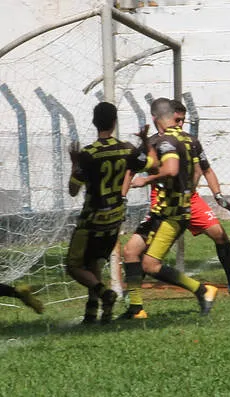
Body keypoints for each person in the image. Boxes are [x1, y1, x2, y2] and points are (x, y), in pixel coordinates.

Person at [119, 98, 217, 319]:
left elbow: (170, 170)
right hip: (163, 210)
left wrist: (147, 180)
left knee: (151, 265)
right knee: (131, 252)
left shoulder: (166, 141)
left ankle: (202, 290)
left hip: (172, 214)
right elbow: (197, 171)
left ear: (154, 119)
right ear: (173, 116)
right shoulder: (188, 139)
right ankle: (136, 308)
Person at [67, 102, 157, 324]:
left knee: (74, 266)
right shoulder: (127, 149)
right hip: (115, 218)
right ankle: (95, 314)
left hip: (92, 220)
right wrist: (145, 141)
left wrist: (74, 163)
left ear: (94, 122)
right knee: (94, 262)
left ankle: (104, 292)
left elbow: (72, 189)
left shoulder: (88, 154)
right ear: (115, 121)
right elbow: (152, 163)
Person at [170, 100, 230, 295]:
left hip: (191, 199)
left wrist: (218, 196)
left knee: (220, 235)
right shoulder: (156, 142)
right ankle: (132, 291)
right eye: (177, 120)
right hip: (165, 200)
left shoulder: (190, 141)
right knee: (150, 248)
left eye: (183, 120)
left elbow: (206, 169)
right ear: (165, 118)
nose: (180, 124)